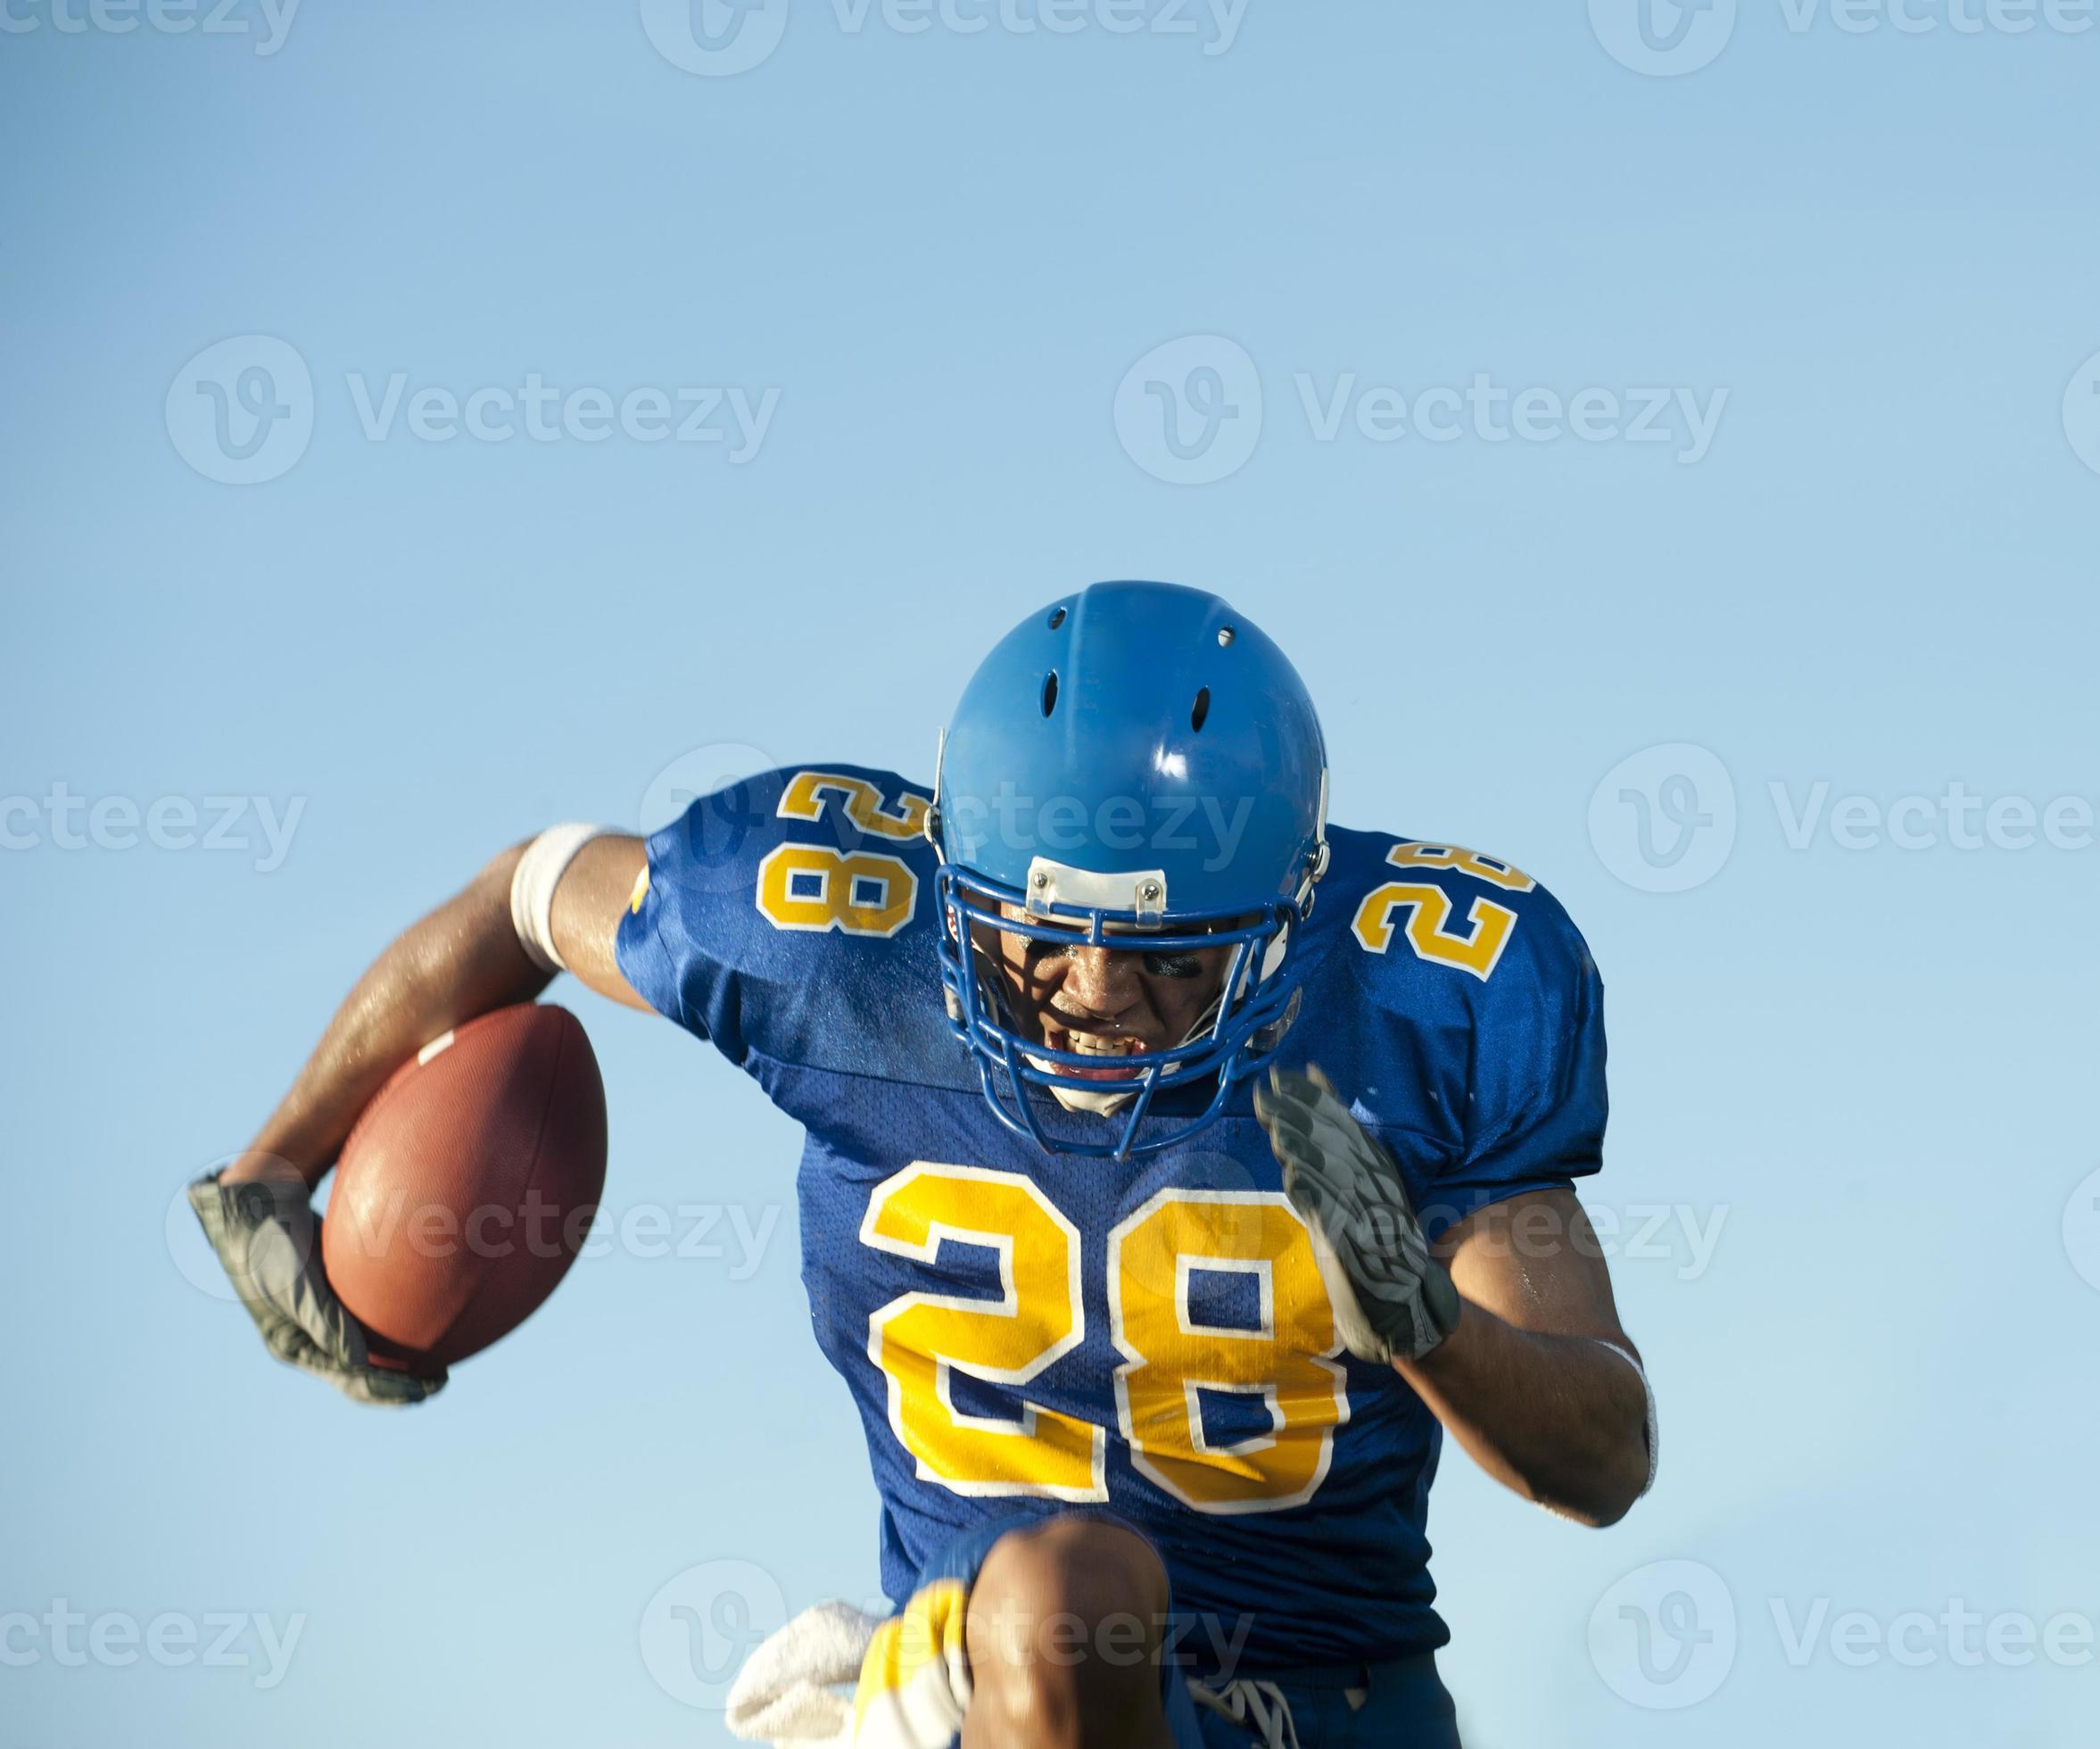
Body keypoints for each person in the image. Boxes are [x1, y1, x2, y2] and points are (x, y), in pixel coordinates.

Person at [189, 580, 1656, 1747]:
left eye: (1160, 954)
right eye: (1042, 934)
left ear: (1288, 913)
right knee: (1058, 1600)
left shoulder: (1426, 1001)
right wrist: (273, 1171)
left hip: (1333, 1710)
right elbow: (528, 893)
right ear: (953, 887)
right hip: (991, 1688)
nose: (1089, 988)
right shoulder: (829, 938)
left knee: (1066, 1598)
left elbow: (1601, 1459)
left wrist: (1425, 1323)